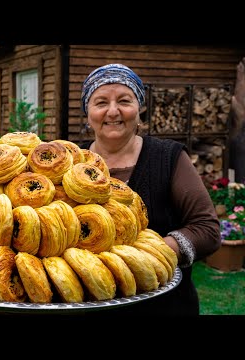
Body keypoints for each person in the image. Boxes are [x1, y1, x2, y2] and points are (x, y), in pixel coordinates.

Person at [79, 63, 221, 316]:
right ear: (87, 114)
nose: (113, 111)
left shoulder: (167, 158)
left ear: (139, 108)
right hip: (86, 305)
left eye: (124, 100)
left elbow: (206, 230)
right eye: (101, 103)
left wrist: (144, 258)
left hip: (162, 307)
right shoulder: (71, 163)